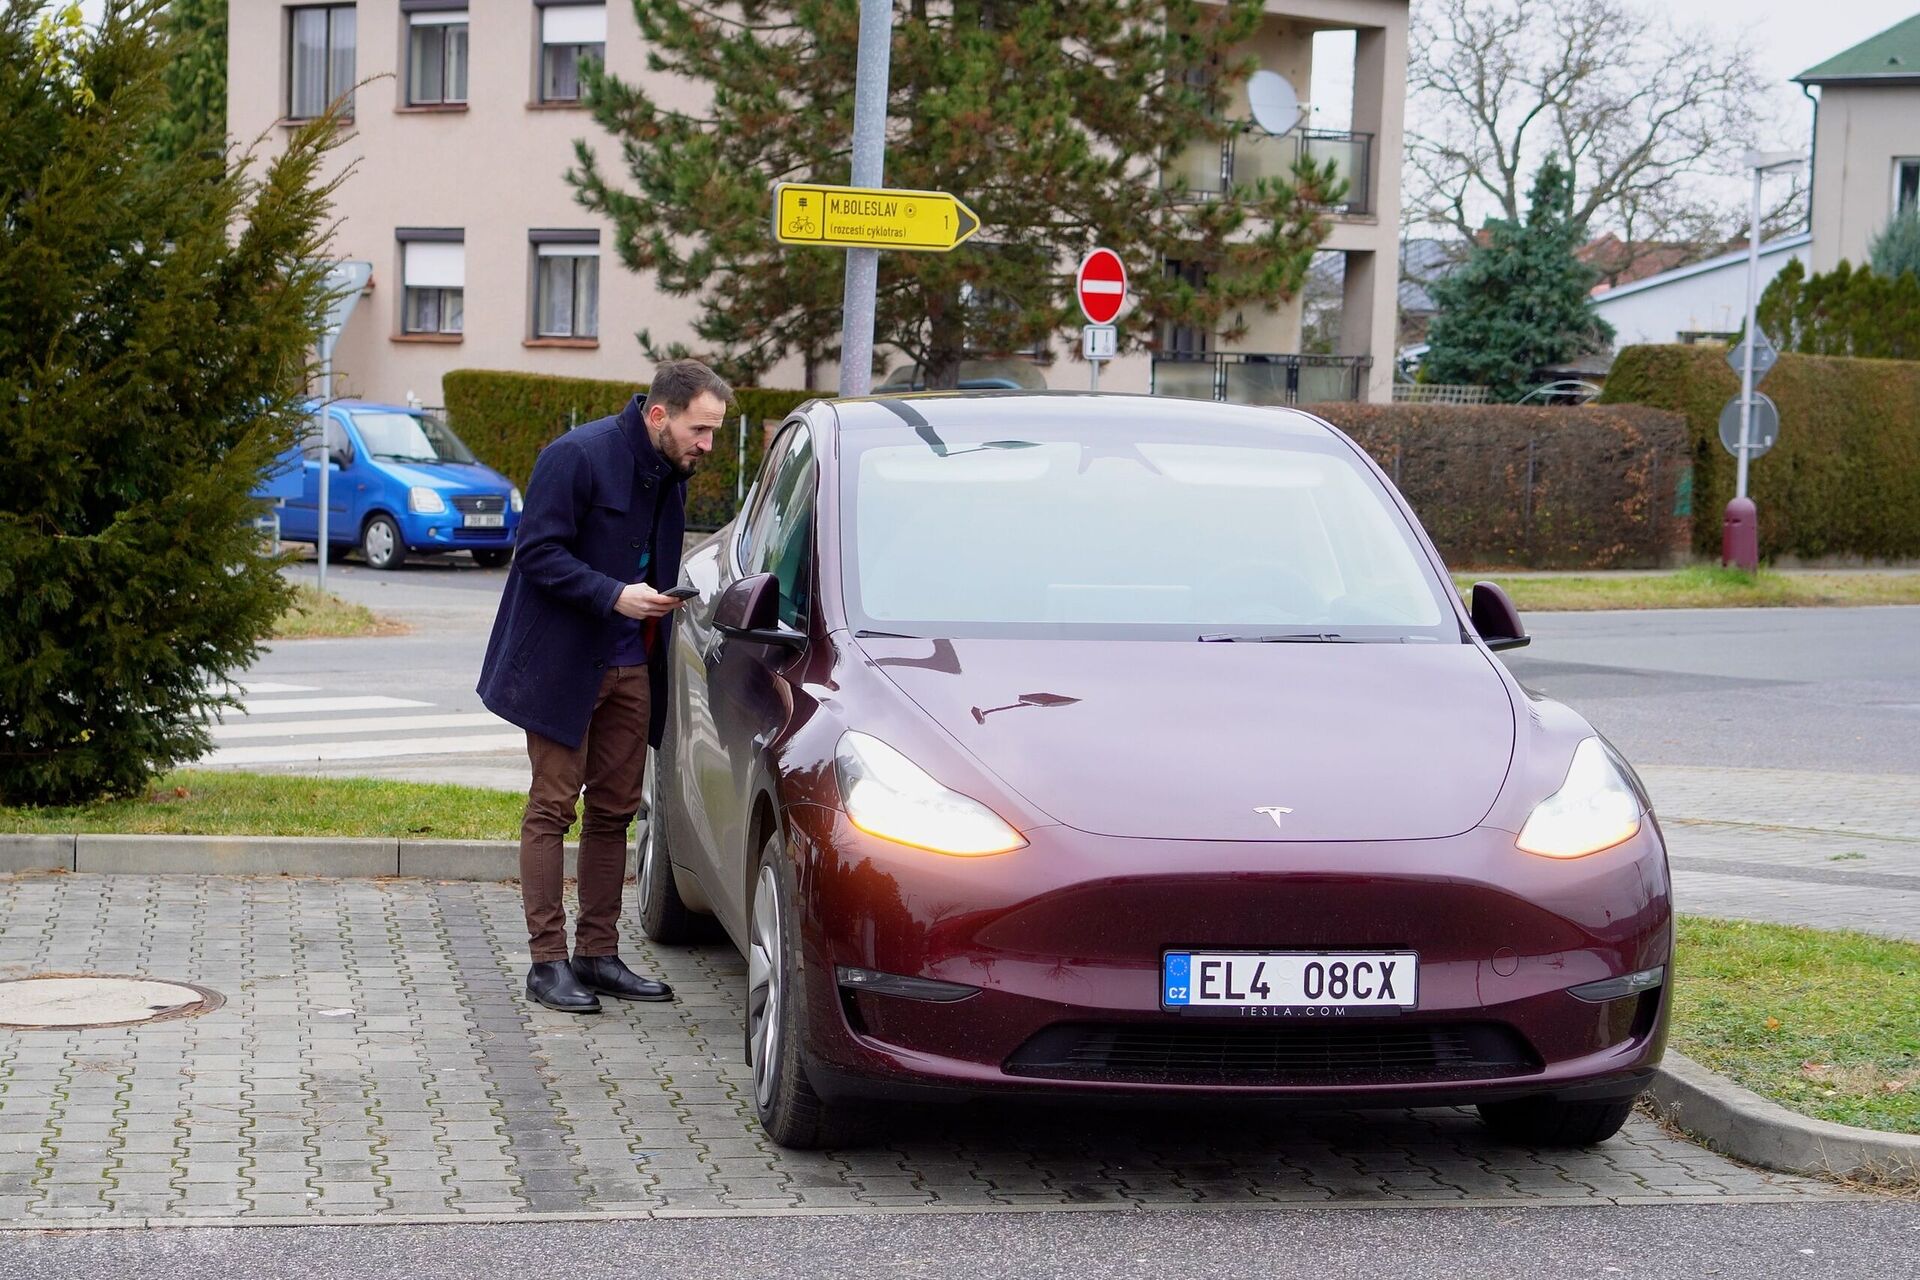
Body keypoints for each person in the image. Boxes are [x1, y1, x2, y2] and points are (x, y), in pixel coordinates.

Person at [477, 359, 729, 1013]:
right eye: (700, 430)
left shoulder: (670, 475)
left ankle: (597, 953)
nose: (707, 445)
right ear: (659, 415)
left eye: (712, 433)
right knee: (553, 808)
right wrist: (613, 595)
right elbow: (535, 552)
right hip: (565, 665)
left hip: (631, 665)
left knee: (616, 812)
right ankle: (546, 963)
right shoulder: (576, 455)